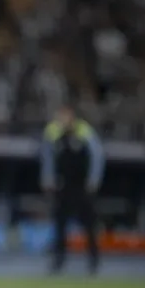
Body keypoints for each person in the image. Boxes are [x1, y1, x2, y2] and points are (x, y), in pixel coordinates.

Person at [40, 105, 104, 275]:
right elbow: (47, 155)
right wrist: (48, 177)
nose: (62, 119)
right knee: (60, 224)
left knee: (89, 225)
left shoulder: (84, 131)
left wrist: (93, 180)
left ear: (72, 116)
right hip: (63, 185)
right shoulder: (53, 132)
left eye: (65, 116)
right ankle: (58, 260)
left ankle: (93, 260)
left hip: (82, 186)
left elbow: (97, 156)